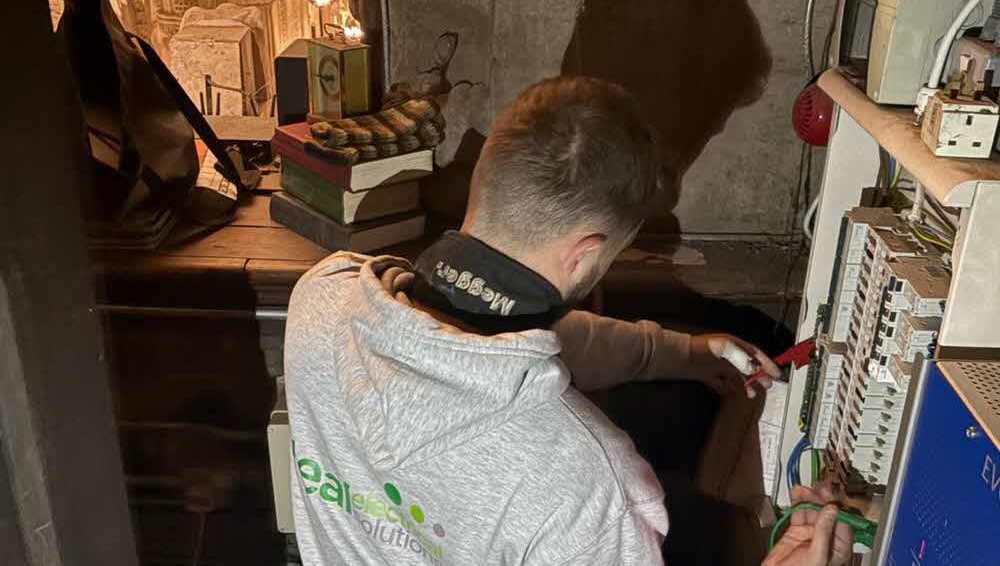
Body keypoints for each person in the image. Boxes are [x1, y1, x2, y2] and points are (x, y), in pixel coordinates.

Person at [285, 76, 851, 565]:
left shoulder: (323, 298)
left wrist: (684, 353)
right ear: (585, 255)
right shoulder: (587, 486)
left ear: (485, 175)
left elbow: (485, 339)